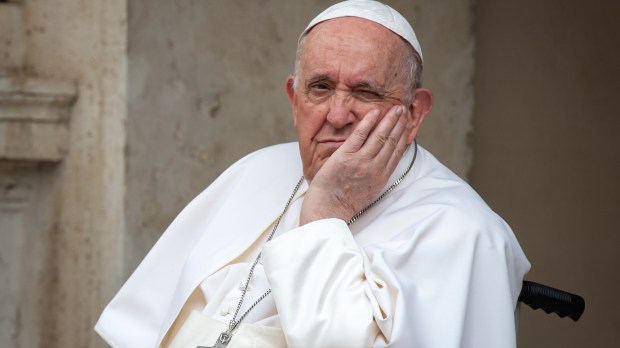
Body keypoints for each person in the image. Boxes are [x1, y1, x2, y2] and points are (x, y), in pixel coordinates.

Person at [95, 1, 530, 347]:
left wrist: (326, 214)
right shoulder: (255, 171)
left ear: (414, 112)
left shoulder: (465, 232)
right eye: (320, 88)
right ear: (294, 97)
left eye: (365, 92)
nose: (338, 114)